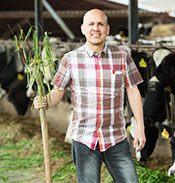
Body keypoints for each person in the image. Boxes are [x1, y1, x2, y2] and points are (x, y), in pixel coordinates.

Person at [34, 8, 146, 183]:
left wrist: (140, 127)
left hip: (116, 137)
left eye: (100, 24)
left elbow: (133, 91)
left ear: (107, 29)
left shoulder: (122, 56)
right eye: (91, 24)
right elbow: (57, 92)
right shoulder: (69, 59)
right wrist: (45, 101)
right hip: (85, 139)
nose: (96, 28)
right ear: (83, 29)